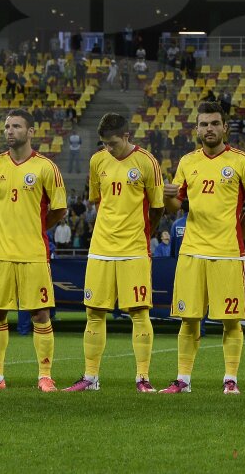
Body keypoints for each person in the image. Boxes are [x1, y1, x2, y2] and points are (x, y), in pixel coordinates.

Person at [160, 102, 245, 395]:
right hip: (192, 251)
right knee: (189, 318)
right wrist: (167, 196)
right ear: (196, 129)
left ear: (225, 127)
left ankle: (230, 379)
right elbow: (175, 206)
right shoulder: (187, 162)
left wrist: (239, 234)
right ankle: (183, 380)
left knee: (231, 320)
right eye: (204, 124)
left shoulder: (243, 161)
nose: (209, 129)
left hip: (227, 253)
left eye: (215, 123)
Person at [64, 113, 165, 393]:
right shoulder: (98, 161)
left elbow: (157, 207)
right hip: (101, 248)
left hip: (134, 249)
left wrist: (143, 232)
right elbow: (99, 201)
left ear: (126, 136)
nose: (108, 148)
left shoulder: (147, 162)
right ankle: (90, 377)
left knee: (139, 312)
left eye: (113, 143)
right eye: (105, 144)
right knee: (94, 312)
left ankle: (142, 378)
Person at [0, 109, 68, 392]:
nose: (10, 131)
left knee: (40, 315)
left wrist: (34, 227)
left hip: (33, 254)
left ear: (30, 132)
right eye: (7, 127)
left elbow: (59, 209)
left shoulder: (46, 167)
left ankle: (45, 376)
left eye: (16, 126)